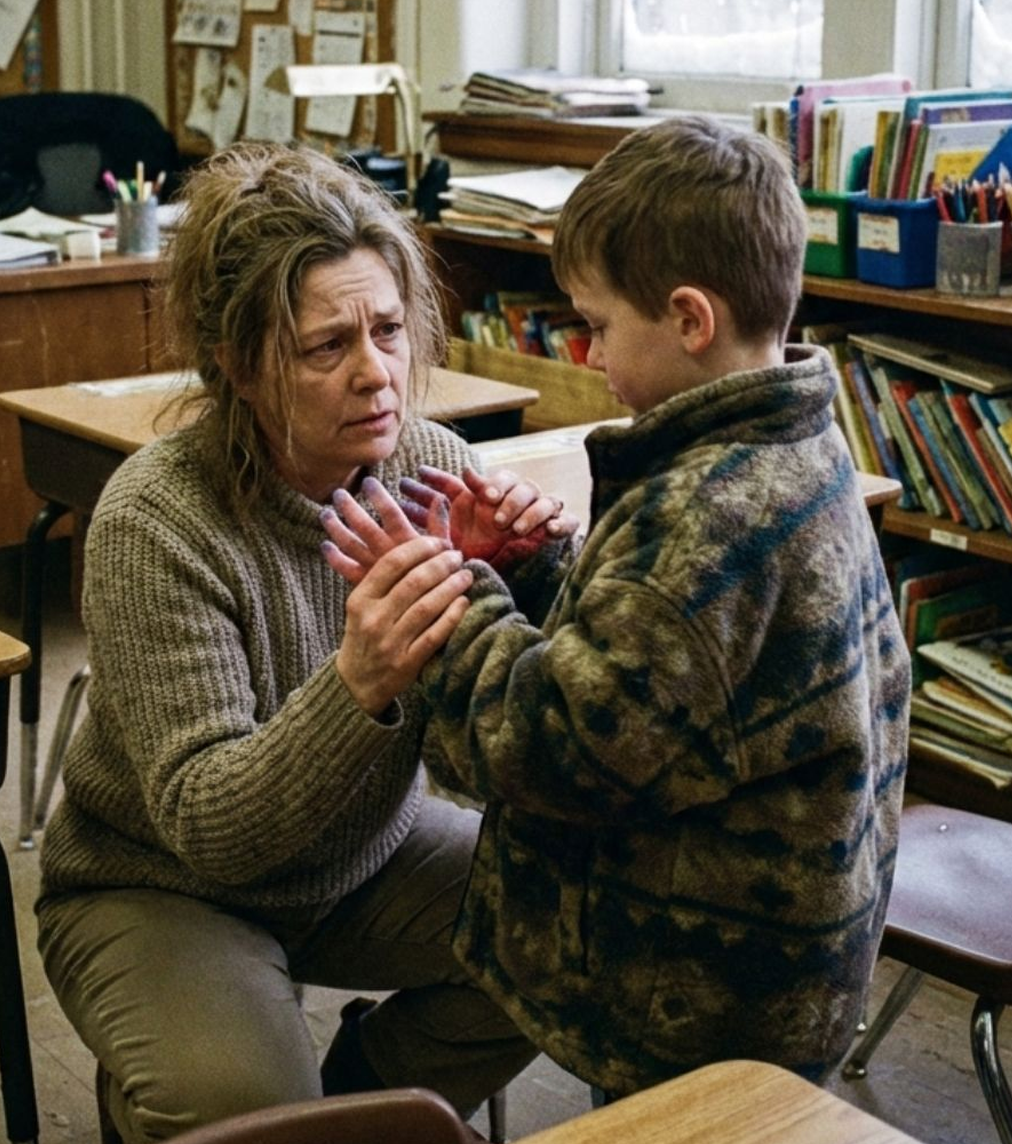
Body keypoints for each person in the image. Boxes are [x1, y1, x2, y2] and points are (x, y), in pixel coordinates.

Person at [322, 115, 912, 1101]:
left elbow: (554, 748)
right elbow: (668, 691)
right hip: (781, 963)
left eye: (597, 325)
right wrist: (534, 575)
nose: (587, 353)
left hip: (691, 988)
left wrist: (455, 599)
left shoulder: (703, 519)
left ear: (689, 320)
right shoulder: (801, 449)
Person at [35, 142, 579, 1144]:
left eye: (386, 330)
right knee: (240, 1107)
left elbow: (537, 709)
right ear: (238, 366)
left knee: (583, 929)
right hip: (161, 885)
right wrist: (360, 680)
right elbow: (212, 827)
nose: (377, 375)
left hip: (367, 853)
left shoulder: (426, 461)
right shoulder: (156, 518)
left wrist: (539, 568)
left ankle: (366, 1095)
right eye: (326, 346)